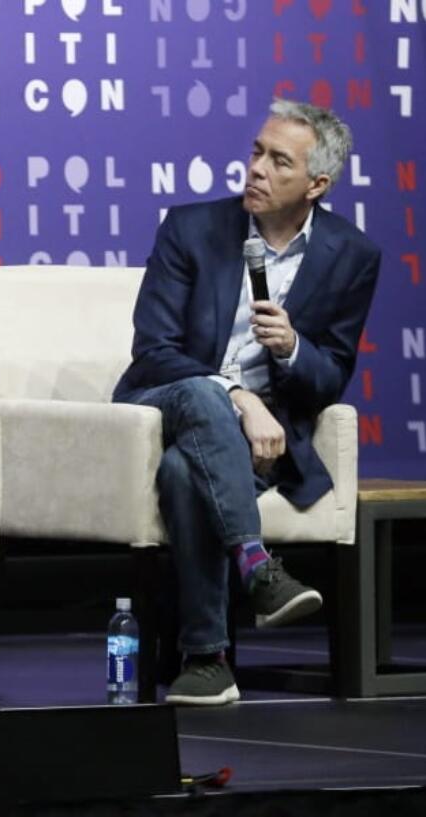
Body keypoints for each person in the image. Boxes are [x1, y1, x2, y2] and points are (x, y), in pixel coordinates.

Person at [113, 99, 381, 705]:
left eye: (278, 161)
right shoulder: (191, 228)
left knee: (186, 470)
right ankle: (257, 566)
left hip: (254, 444)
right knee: (207, 400)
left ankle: (207, 662)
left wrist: (291, 349)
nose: (257, 168)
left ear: (317, 184)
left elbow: (330, 376)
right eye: (256, 152)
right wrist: (235, 395)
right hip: (169, 402)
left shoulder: (352, 256)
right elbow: (153, 349)